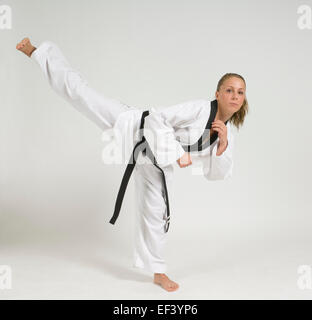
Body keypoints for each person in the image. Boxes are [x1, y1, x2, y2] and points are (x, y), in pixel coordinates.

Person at [16, 38, 249, 292]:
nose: (234, 95)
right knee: (81, 94)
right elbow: (157, 117)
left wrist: (223, 146)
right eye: (229, 90)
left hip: (152, 161)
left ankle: (158, 273)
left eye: (240, 92)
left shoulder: (227, 135)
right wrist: (176, 154)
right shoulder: (200, 108)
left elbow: (215, 174)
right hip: (133, 126)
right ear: (217, 93)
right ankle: (39, 53)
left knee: (157, 214)